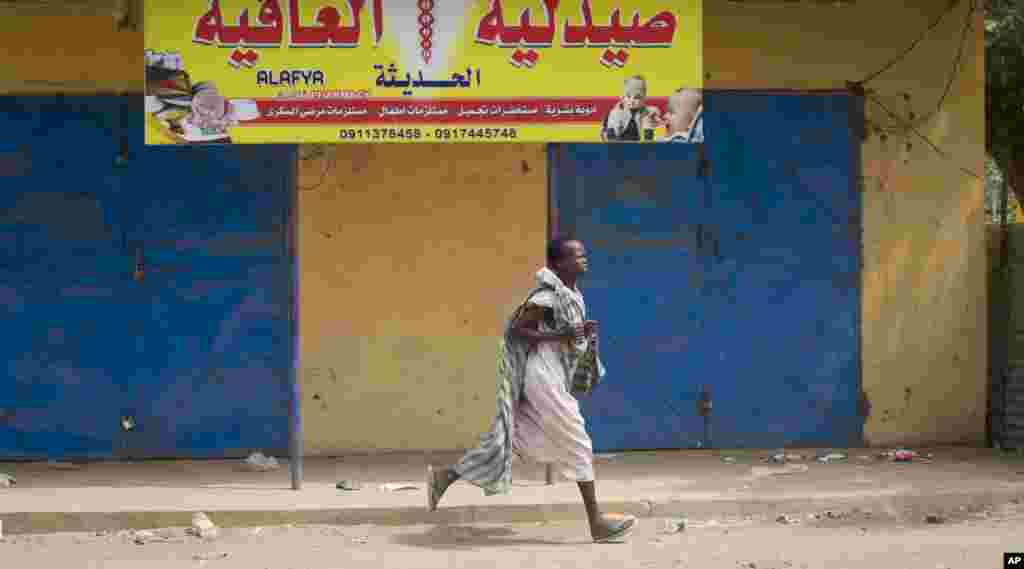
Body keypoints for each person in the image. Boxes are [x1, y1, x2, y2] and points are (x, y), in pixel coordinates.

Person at [426, 239, 637, 544]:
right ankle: (596, 523)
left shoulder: (571, 296)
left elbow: (567, 337)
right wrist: (560, 334)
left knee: (520, 440)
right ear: (559, 263)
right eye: (577, 255)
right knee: (579, 442)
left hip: (552, 377)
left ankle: (444, 478)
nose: (584, 259)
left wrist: (580, 334)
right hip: (543, 378)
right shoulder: (546, 297)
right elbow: (515, 330)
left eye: (583, 254)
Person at [601, 76, 662, 142]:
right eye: (628, 96)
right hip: (616, 140)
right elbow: (607, 133)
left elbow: (657, 119)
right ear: (623, 97)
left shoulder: (645, 111)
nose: (632, 101)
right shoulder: (615, 112)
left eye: (636, 97)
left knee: (647, 120)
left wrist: (654, 115)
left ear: (643, 99)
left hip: (635, 141)